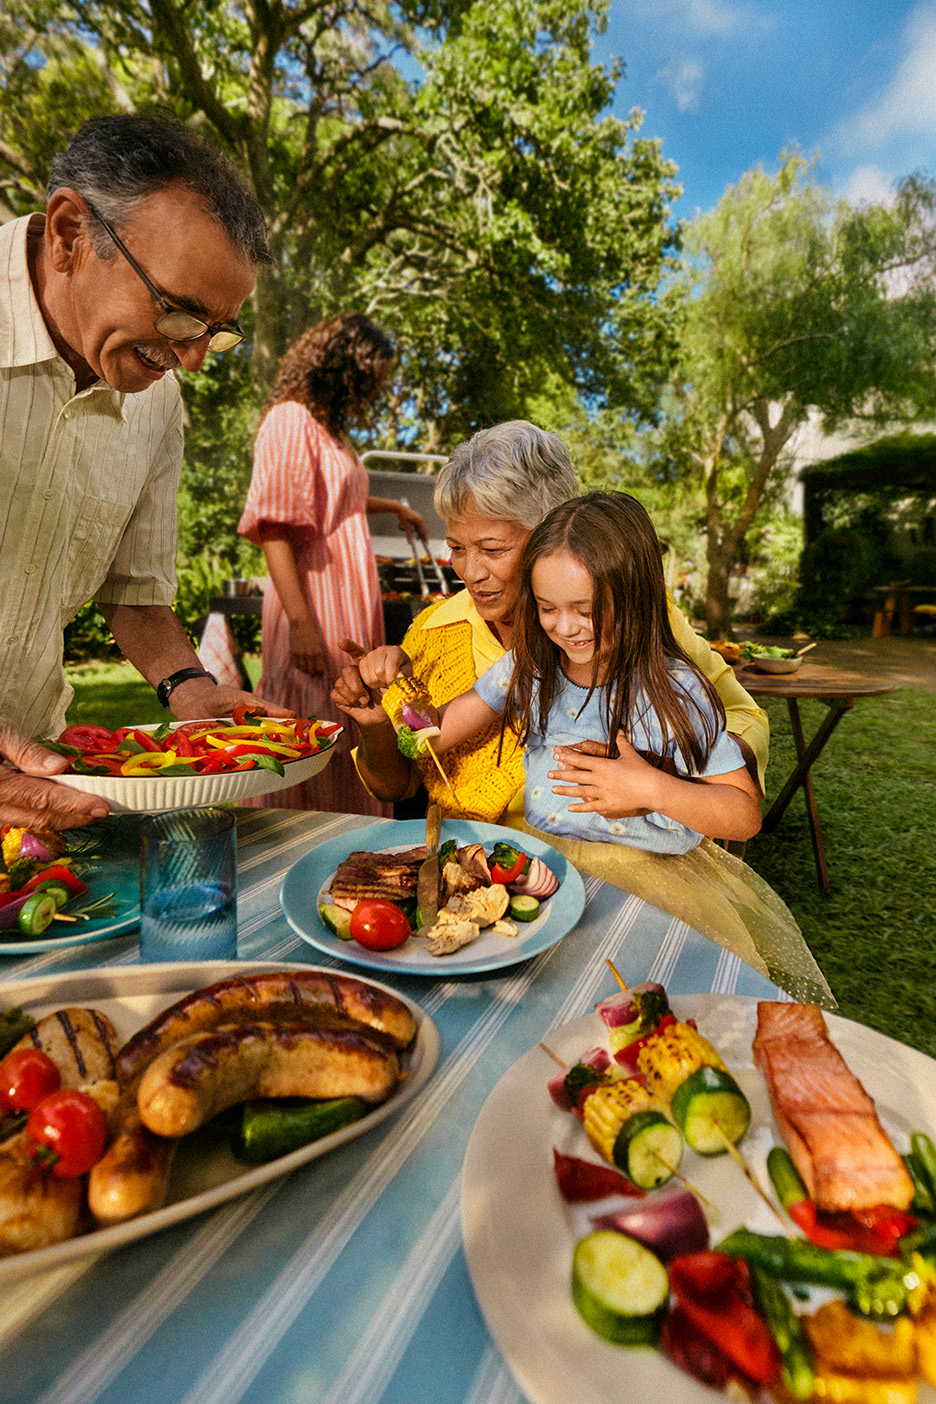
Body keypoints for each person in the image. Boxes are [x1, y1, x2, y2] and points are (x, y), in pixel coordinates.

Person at [382, 491, 834, 1006]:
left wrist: (650, 786)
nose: (564, 627)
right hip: (546, 876)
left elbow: (743, 814)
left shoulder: (674, 690)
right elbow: (439, 731)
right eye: (548, 608)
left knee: (644, 1012)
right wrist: (394, 704)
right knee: (543, 1006)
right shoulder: (530, 665)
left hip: (649, 884)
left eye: (585, 610)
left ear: (636, 597)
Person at [0, 113, 290, 833]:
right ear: (70, 234)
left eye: (215, 332)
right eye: (177, 313)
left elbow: (132, 591)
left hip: (39, 798)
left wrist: (189, 683)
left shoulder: (156, 404)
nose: (191, 358)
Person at [332, 420, 769, 827]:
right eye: (457, 548)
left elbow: (743, 722)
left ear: (552, 535)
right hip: (491, 866)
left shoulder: (636, 620)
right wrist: (386, 713)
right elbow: (415, 753)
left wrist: (658, 778)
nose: (469, 572)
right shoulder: (439, 633)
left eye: (493, 548)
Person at [238, 313, 426, 813]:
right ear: (346, 367)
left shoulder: (331, 434)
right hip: (314, 610)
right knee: (310, 736)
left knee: (355, 721)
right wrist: (301, 624)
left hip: (348, 610)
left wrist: (395, 509)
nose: (375, 389)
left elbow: (339, 502)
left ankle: (353, 853)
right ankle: (296, 857)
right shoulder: (290, 420)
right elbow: (274, 526)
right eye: (373, 377)